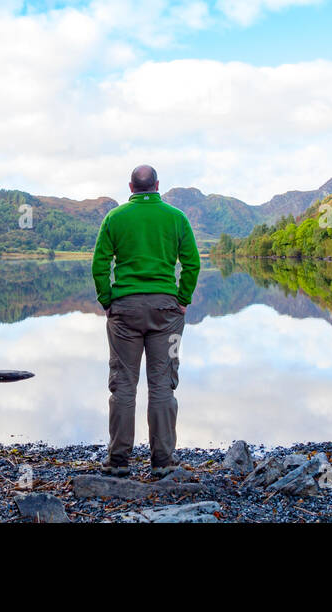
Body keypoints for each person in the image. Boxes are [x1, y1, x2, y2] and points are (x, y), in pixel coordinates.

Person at [91, 164, 200, 477]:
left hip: (124, 311)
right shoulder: (176, 217)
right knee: (163, 383)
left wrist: (107, 300)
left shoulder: (114, 218)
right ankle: (163, 462)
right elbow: (192, 263)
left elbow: (99, 265)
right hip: (166, 313)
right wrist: (183, 299)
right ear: (156, 186)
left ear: (130, 187)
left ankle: (118, 462)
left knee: (123, 385)